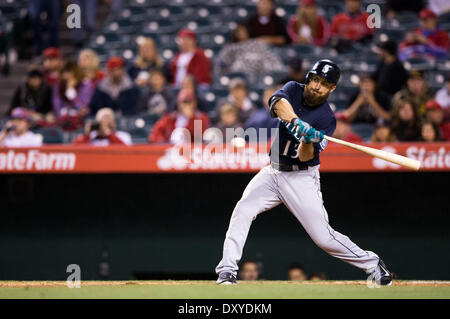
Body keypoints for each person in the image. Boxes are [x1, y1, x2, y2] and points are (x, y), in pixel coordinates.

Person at [215, 60, 392, 286]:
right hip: (273, 172)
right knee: (243, 210)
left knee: (324, 237)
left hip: (300, 177)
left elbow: (306, 156)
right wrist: (298, 124)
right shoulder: (293, 89)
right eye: (316, 80)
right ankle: (227, 271)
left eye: (325, 84)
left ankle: (373, 263)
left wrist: (308, 140)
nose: (318, 86)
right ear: (309, 78)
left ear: (332, 89)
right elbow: (277, 103)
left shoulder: (326, 119)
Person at [214, 23, 285, 83]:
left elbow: (270, 58)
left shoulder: (257, 44)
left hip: (259, 74)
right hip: (238, 76)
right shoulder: (230, 48)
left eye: (244, 31)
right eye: (240, 32)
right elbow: (221, 64)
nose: (242, 33)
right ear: (236, 34)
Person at [52, 61, 96, 131]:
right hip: (63, 120)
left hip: (83, 119)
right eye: (65, 72)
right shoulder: (59, 85)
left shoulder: (86, 84)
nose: (68, 75)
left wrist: (71, 91)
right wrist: (63, 115)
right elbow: (57, 105)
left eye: (70, 72)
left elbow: (83, 107)